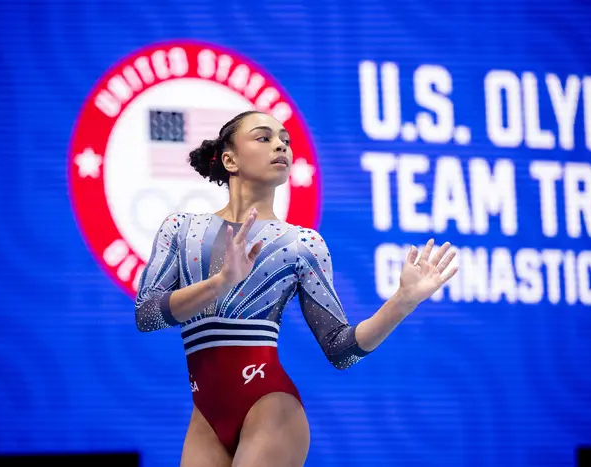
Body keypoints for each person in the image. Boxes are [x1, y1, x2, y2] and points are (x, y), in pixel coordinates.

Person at [135, 110, 458, 467]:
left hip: (270, 408)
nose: (281, 146)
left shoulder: (302, 243)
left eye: (285, 141)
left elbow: (340, 349)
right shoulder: (181, 229)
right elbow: (147, 315)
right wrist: (220, 282)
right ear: (229, 159)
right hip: (205, 417)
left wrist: (402, 301)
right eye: (264, 138)